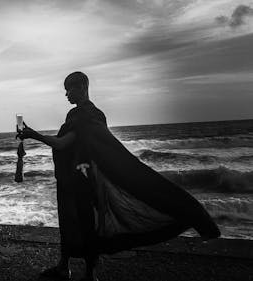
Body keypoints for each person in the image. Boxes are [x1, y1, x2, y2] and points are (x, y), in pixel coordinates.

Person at [18, 71, 220, 281]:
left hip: (85, 179)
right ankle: (64, 266)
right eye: (65, 90)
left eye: (69, 89)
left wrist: (35, 135)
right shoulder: (84, 115)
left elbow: (64, 143)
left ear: (82, 87)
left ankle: (88, 274)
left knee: (87, 223)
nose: (66, 94)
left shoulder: (87, 116)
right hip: (74, 177)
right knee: (70, 219)